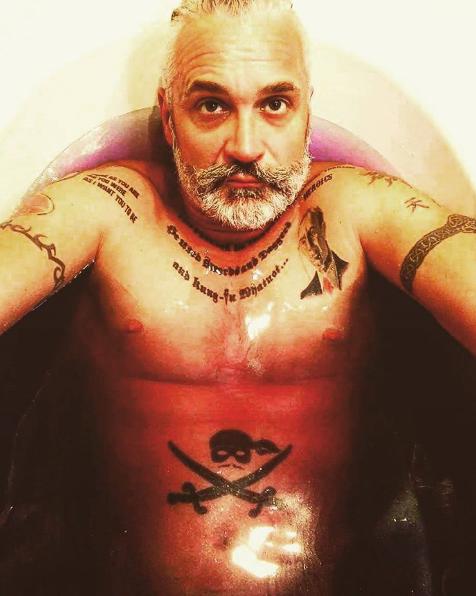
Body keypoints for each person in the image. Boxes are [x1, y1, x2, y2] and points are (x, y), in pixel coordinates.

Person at [0, 0, 474, 594]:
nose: (246, 145)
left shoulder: (355, 208)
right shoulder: (108, 210)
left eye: (275, 104)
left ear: (306, 112)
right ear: (169, 118)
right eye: (211, 105)